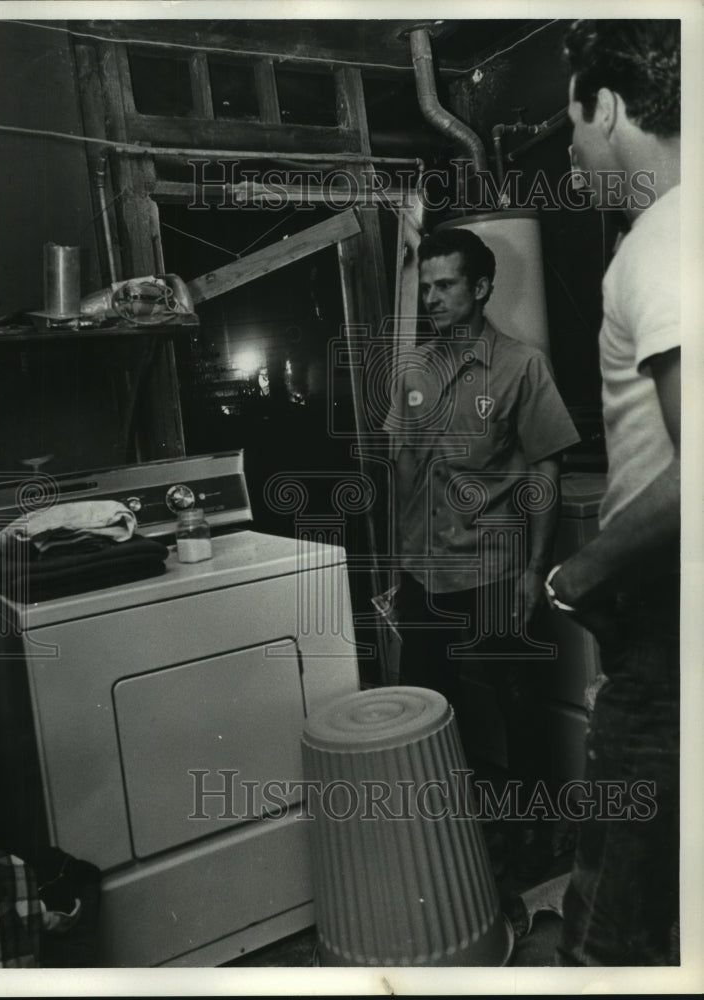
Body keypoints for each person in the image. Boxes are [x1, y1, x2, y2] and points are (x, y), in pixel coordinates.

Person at [383, 226, 580, 877]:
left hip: (495, 569)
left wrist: (533, 571)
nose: (432, 298)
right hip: (424, 573)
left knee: (517, 704)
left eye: (445, 286)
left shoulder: (523, 365)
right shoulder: (411, 367)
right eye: (426, 286)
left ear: (481, 288)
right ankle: (451, 841)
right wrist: (396, 568)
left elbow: (545, 472)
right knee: (429, 708)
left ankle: (536, 837)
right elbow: (403, 472)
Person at [547, 19, 681, 966]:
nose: (572, 153)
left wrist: (580, 571)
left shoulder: (662, 240)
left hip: (667, 606)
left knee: (610, 917)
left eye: (572, 127)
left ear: (610, 105)